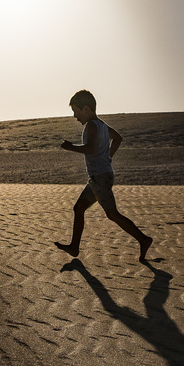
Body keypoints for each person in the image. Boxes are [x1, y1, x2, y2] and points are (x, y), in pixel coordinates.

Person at [54, 89, 153, 261]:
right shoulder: (103, 125)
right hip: (98, 177)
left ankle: (143, 239)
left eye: (76, 112)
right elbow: (118, 138)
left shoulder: (91, 126)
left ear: (86, 109)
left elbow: (90, 148)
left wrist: (70, 147)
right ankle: (74, 247)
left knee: (112, 214)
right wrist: (108, 156)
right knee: (79, 208)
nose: (75, 117)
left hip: (100, 178)